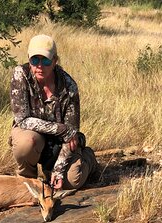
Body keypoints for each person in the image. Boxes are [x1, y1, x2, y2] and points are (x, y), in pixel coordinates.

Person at [9, 34, 99, 190]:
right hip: (34, 135)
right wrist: (60, 129)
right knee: (25, 143)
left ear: (55, 61)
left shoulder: (69, 86)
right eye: (34, 60)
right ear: (29, 59)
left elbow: (71, 133)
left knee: (71, 182)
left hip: (59, 143)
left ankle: (88, 159)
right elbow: (22, 120)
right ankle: (27, 178)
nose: (39, 66)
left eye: (45, 60)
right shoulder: (20, 75)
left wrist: (58, 170)